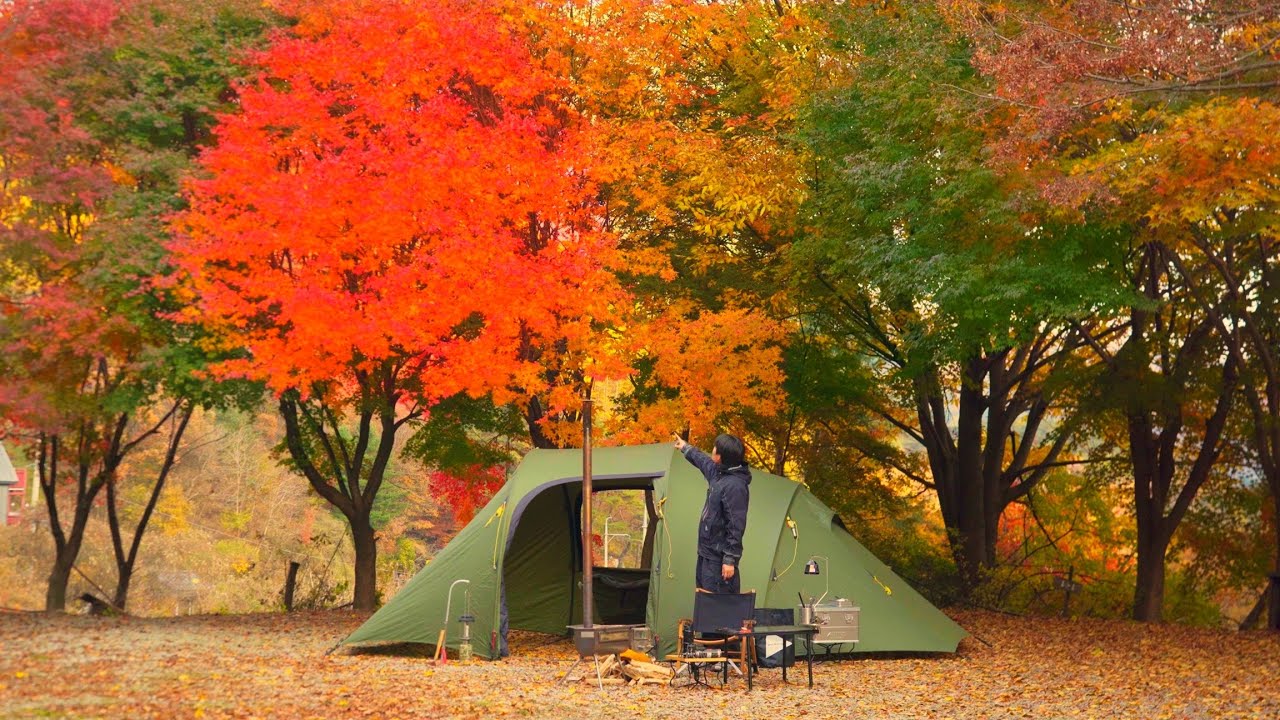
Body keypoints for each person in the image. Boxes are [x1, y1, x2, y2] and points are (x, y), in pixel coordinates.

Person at [672, 432, 751, 593]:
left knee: (717, 604)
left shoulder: (735, 486)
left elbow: (736, 525)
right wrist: (686, 447)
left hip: (719, 558)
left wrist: (730, 559)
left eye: (716, 448)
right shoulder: (720, 474)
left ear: (721, 457)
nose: (713, 450)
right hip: (706, 552)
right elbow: (704, 462)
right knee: (704, 599)